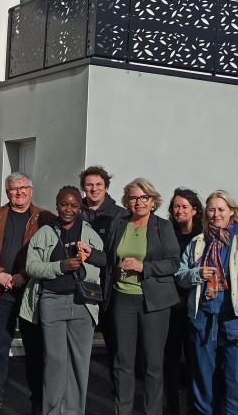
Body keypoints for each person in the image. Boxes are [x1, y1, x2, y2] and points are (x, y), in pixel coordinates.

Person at [175, 190, 238, 415]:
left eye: (221, 209)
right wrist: (197, 273)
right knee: (203, 381)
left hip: (235, 321)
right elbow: (180, 275)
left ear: (231, 212)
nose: (216, 214)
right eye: (212, 210)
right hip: (203, 319)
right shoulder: (198, 242)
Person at [20, 186, 106, 415]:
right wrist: (61, 266)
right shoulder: (45, 233)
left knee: (79, 363)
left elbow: (103, 261)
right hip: (51, 301)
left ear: (81, 207)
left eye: (74, 205)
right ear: (57, 204)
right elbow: (31, 266)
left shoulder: (89, 233)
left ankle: (74, 411)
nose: (68, 209)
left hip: (82, 303)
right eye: (64, 204)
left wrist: (88, 262)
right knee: (54, 362)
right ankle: (52, 411)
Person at [0, 172, 53, 415]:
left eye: (23, 188)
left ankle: (38, 399)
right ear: (6, 192)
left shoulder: (45, 218)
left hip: (31, 291)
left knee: (35, 348)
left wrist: (24, 275)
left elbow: (50, 253)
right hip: (1, 291)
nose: (18, 192)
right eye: (13, 189)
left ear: (31, 189)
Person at [104, 178, 180, 415]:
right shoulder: (119, 224)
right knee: (123, 361)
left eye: (143, 198)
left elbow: (173, 263)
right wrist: (89, 254)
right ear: (127, 201)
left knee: (153, 363)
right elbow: (109, 260)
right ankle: (122, 411)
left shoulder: (163, 227)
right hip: (122, 299)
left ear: (152, 201)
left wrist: (143, 267)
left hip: (154, 303)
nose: (138, 202)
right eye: (134, 198)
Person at [79, 165, 128, 396]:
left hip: (110, 290)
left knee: (116, 349)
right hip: (79, 287)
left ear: (106, 187)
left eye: (99, 185)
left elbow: (116, 255)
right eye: (89, 185)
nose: (94, 189)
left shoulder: (119, 215)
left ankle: (118, 398)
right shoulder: (74, 211)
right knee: (78, 349)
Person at [164, 187, 204, 415]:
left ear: (194, 210)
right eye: (175, 207)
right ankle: (172, 407)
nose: (179, 211)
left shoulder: (203, 237)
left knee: (194, 361)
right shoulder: (168, 232)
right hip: (170, 306)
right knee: (169, 361)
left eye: (184, 207)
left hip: (194, 307)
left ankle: (193, 407)